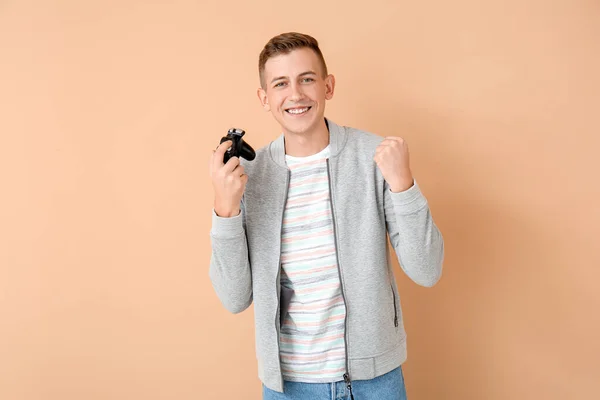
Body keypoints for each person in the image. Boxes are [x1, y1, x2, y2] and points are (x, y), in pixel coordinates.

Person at [209, 32, 444, 400]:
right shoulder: (248, 177)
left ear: (328, 86)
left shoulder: (374, 156)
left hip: (375, 380)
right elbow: (234, 297)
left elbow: (426, 269)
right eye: (280, 83)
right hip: (289, 387)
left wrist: (404, 185)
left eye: (307, 79)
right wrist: (225, 210)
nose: (296, 94)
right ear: (264, 98)